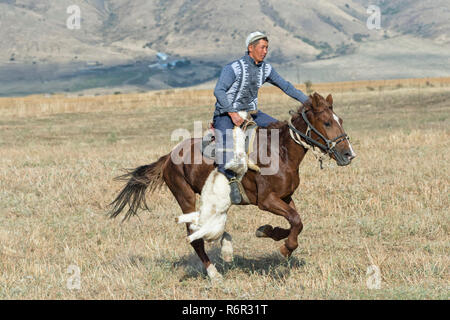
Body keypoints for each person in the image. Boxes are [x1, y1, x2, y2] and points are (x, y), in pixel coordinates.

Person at [213, 31, 310, 204]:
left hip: (252, 113)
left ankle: (273, 169)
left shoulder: (266, 69)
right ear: (251, 48)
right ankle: (230, 184)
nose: (265, 51)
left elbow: (287, 87)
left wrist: (312, 103)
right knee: (226, 146)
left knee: (281, 129)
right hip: (226, 113)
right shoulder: (233, 68)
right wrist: (232, 113)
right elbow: (219, 91)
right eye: (262, 47)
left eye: (267, 48)